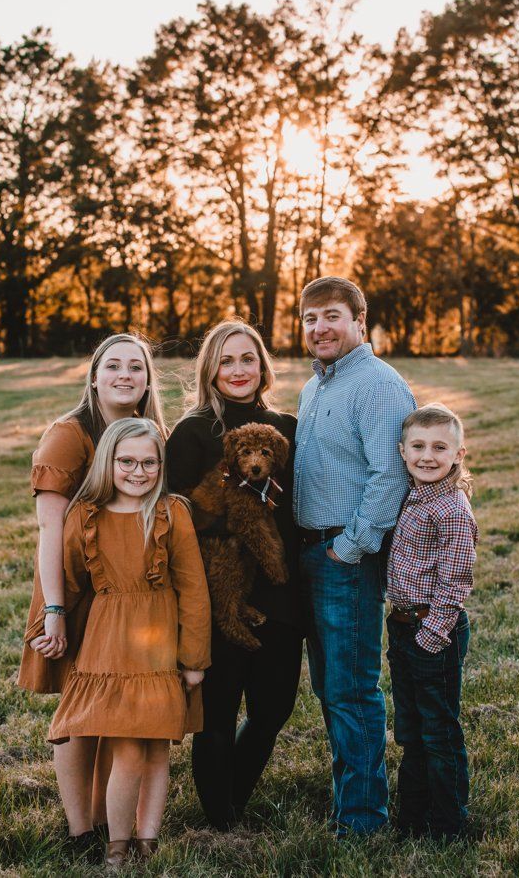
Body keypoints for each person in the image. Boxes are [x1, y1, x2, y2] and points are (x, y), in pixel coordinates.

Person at [17, 333, 167, 856]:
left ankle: (109, 819)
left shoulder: (148, 433)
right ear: (95, 375)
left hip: (124, 592)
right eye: (114, 366)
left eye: (136, 367)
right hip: (73, 590)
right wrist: (55, 610)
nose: (125, 375)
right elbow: (48, 531)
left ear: (148, 379)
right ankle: (81, 830)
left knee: (114, 709)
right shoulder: (69, 434)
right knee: (80, 713)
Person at [46, 418, 210, 869]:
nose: (138, 472)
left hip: (159, 646)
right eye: (127, 462)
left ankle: (147, 840)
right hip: (107, 646)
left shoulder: (172, 513)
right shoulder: (85, 516)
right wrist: (54, 624)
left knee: (155, 745)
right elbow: (70, 582)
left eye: (149, 463)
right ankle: (117, 846)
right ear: (108, 462)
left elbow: (193, 588)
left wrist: (194, 658)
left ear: (162, 465)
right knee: (129, 747)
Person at [165, 320, 303, 830]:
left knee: (272, 712)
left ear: (263, 365)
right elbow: (178, 517)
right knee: (217, 717)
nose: (238, 369)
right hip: (215, 591)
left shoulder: (286, 427)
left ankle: (234, 802)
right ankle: (221, 820)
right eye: (226, 360)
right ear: (210, 369)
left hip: (280, 592)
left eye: (248, 358)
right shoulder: (193, 432)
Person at [294, 276, 416, 837]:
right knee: (329, 686)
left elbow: (388, 476)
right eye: (310, 319)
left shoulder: (378, 385)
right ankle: (350, 792)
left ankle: (364, 819)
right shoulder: (313, 385)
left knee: (351, 688)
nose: (320, 328)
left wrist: (350, 548)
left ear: (360, 322)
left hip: (346, 556)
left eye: (332, 317)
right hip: (311, 550)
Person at [386, 403, 478, 841]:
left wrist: (432, 635)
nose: (427, 456)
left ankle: (448, 824)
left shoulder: (452, 509)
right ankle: (412, 816)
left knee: (438, 730)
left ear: (459, 454)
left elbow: (455, 579)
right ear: (402, 451)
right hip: (402, 625)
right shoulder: (413, 493)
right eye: (418, 446)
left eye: (440, 448)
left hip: (432, 630)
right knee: (410, 728)